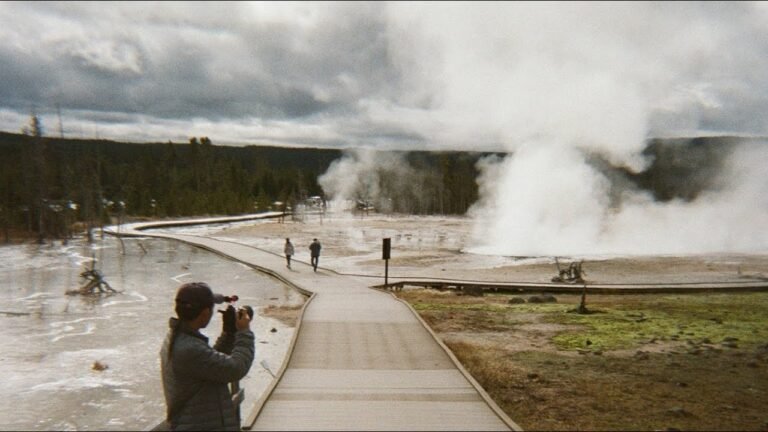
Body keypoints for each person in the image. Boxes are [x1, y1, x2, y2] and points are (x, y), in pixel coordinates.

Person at [160, 282, 254, 431]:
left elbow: (211, 365)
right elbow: (235, 368)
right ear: (204, 313)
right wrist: (244, 333)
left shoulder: (178, 337)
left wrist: (228, 334)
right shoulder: (189, 348)